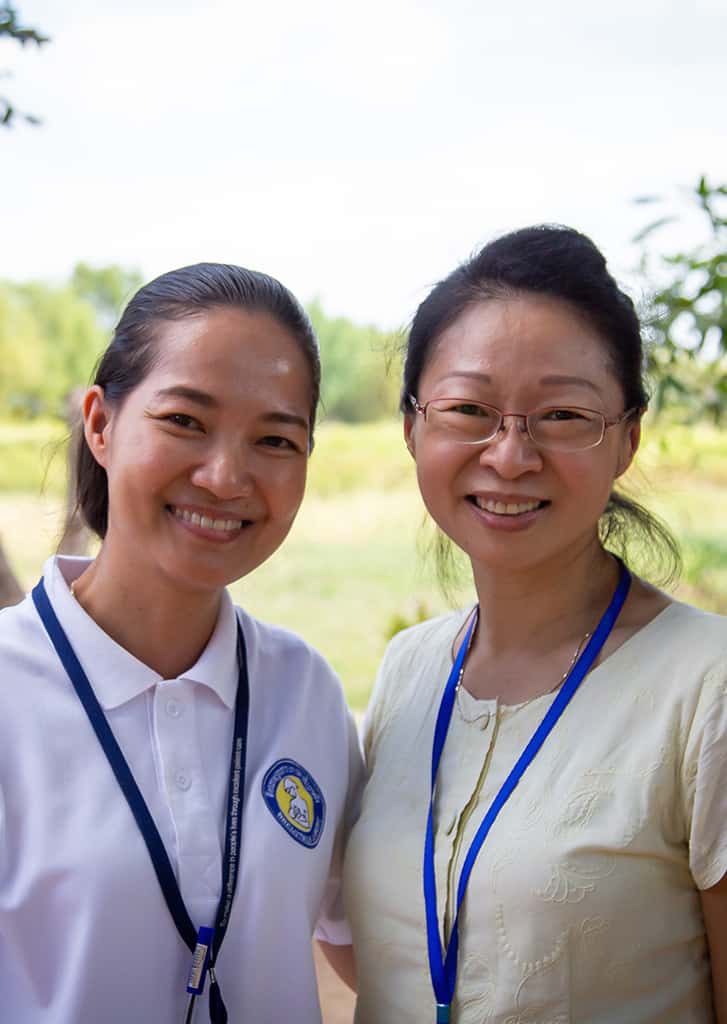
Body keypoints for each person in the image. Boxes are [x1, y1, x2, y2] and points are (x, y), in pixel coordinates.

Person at [343, 226, 727, 1023]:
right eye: (468, 410)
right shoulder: (409, 670)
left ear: (627, 438)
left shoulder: (705, 686)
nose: (510, 456)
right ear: (413, 427)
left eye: (561, 415)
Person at [0, 263, 362, 1023]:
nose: (226, 477)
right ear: (100, 424)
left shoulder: (305, 691)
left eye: (273, 439)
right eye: (185, 422)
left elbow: (369, 941)